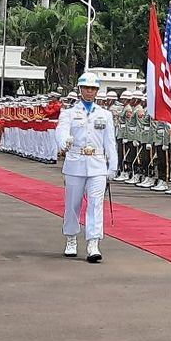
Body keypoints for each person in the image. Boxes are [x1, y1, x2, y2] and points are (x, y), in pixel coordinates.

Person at [56, 72, 118, 263]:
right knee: (73, 205)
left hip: (97, 165)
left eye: (93, 88)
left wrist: (112, 166)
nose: (89, 92)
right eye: (86, 88)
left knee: (96, 205)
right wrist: (63, 142)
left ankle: (93, 243)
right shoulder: (69, 113)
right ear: (80, 89)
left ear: (97, 91)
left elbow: (110, 142)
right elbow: (61, 131)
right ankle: (71, 238)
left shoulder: (105, 115)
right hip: (75, 162)